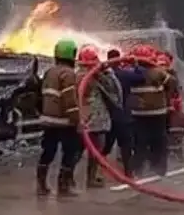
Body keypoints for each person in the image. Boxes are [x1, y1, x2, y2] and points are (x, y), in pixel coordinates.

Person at [37, 39, 83, 196]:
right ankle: (64, 185)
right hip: (64, 121)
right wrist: (77, 120)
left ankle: (41, 184)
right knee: (71, 151)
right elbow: (70, 99)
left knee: (48, 150)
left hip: (48, 120)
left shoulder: (49, 72)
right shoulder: (68, 74)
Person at [76, 44, 123, 188]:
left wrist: (105, 72)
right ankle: (71, 178)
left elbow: (115, 91)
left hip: (92, 119)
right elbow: (116, 92)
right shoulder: (83, 77)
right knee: (83, 151)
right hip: (89, 119)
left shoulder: (96, 76)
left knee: (94, 151)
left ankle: (88, 178)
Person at [128, 43, 177, 177]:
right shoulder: (158, 72)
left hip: (138, 114)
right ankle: (158, 168)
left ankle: (138, 169)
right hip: (158, 113)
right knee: (159, 142)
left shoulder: (131, 73)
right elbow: (172, 83)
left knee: (139, 143)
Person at [102, 48, 143, 176]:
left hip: (107, 116)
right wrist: (136, 65)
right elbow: (141, 78)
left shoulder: (102, 75)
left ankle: (97, 171)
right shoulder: (125, 74)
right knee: (126, 146)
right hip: (124, 116)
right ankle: (128, 172)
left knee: (105, 147)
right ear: (119, 60)